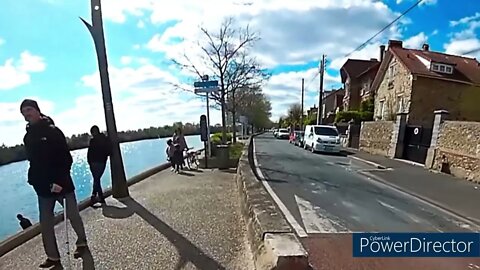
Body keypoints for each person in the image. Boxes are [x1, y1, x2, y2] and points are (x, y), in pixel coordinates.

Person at [20, 99, 88, 268]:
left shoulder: (53, 131)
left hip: (62, 185)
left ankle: (82, 243)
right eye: (23, 112)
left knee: (73, 215)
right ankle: (53, 257)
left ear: (37, 110)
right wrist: (36, 181)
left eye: (29, 110)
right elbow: (34, 163)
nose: (26, 114)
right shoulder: (28, 137)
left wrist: (59, 182)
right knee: (46, 224)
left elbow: (66, 158)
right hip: (43, 188)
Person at [87, 125, 111, 204]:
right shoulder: (105, 139)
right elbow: (108, 151)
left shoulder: (92, 141)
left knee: (96, 179)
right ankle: (98, 197)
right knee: (97, 179)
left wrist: (89, 162)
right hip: (101, 162)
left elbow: (89, 153)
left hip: (94, 163)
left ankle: (96, 196)